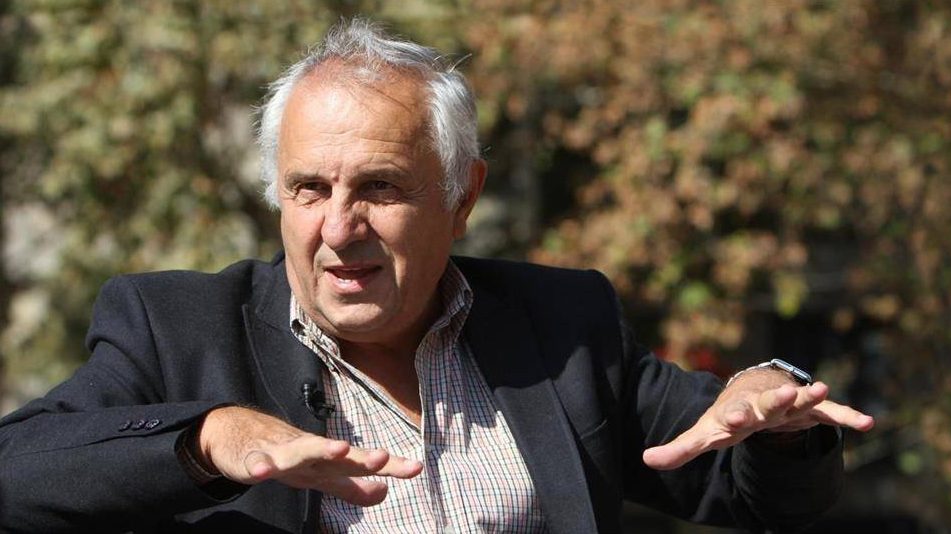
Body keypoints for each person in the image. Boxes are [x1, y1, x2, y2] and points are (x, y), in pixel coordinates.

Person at [0, 18, 874, 533]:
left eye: (380, 188)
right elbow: (18, 474)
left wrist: (778, 416)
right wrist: (206, 440)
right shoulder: (175, 330)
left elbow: (757, 495)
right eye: (309, 188)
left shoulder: (562, 324)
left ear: (463, 197)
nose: (338, 228)